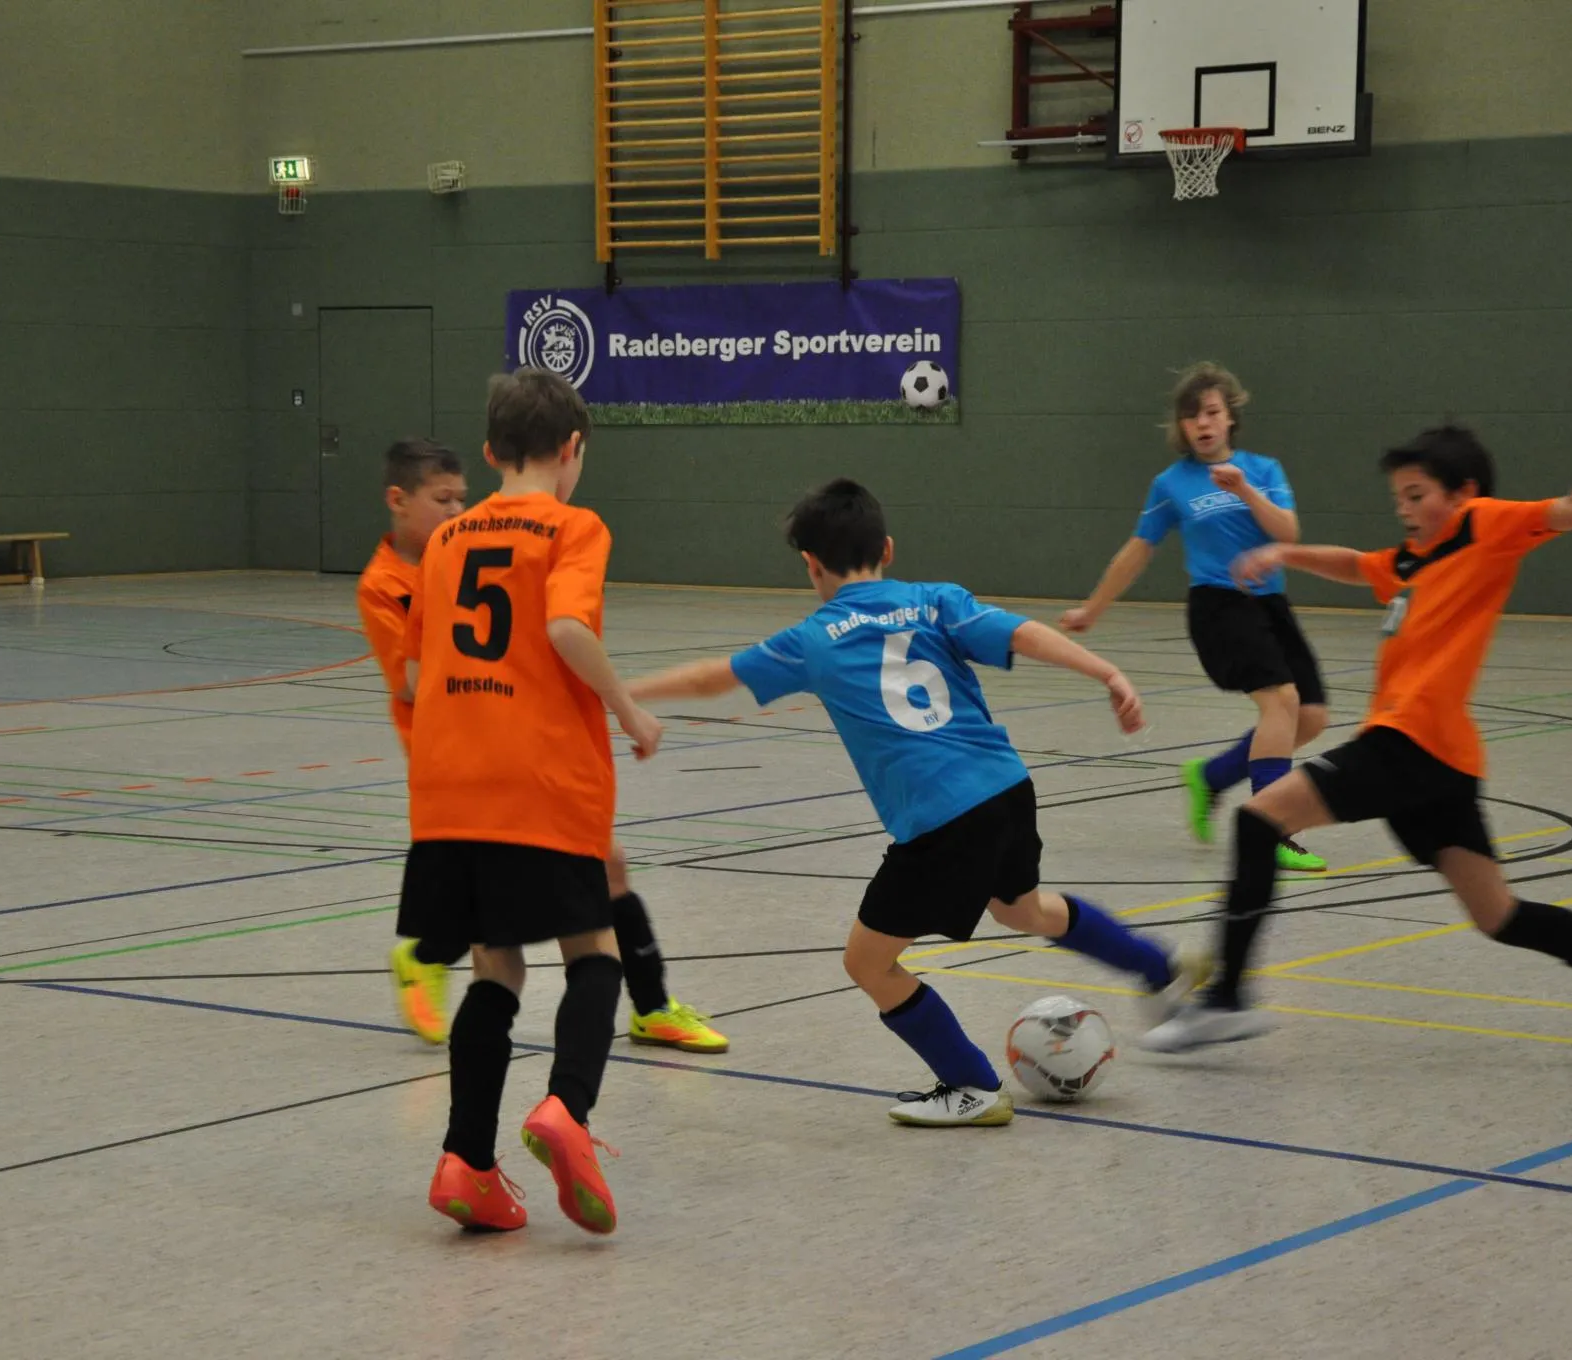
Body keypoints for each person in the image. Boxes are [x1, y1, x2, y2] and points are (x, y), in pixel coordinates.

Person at [627, 479, 1207, 1128]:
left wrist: (621, 692)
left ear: (810, 564)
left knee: (868, 962)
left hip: (943, 820)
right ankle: (1157, 964)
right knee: (1023, 909)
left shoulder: (813, 639)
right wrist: (1107, 672)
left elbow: (712, 678)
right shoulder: (937, 602)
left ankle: (972, 1085)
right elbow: (1022, 634)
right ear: (888, 549)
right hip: (1007, 789)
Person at [1143, 429, 1572, 1052]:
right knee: (1500, 916)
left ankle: (1226, 998)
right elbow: (1359, 565)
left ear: (1462, 492)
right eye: (1399, 498)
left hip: (1410, 741)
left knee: (1259, 820)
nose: (1405, 508)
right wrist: (1285, 554)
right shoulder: (1413, 560)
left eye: (1417, 495)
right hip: (1444, 763)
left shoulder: (1484, 524)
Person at [359, 437, 728, 1055]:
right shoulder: (390, 581)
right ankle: (429, 957)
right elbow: (411, 681)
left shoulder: (471, 545)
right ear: (398, 500)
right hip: (463, 753)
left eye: (460, 498)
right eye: (441, 500)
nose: (454, 511)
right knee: (518, 912)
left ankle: (650, 1007)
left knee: (599, 867)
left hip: (516, 748)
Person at [405, 370, 661, 1236]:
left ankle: (466, 1162)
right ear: (572, 448)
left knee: (496, 967)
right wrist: (627, 708)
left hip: (448, 790)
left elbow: (418, 670)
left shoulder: (445, 539)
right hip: (540, 781)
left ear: (489, 452)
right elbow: (564, 627)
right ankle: (566, 1110)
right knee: (594, 950)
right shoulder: (574, 526)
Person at [1063, 364, 1331, 872]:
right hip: (1218, 607)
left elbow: (1288, 533)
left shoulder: (1264, 470)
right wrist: (1092, 609)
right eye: (1191, 416)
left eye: (1210, 412)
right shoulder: (1171, 484)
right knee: (1281, 701)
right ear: (1182, 427)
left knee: (1311, 717)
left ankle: (1211, 777)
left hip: (1271, 606)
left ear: (1230, 417)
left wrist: (1244, 490)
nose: (1202, 423)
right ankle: (1271, 830)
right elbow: (1138, 549)